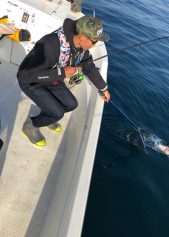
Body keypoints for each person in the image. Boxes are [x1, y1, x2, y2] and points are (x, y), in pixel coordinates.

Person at [17, 16, 110, 146]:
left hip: (53, 78)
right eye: (94, 41)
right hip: (32, 81)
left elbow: (88, 66)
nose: (95, 45)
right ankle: (31, 125)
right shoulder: (50, 44)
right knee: (57, 113)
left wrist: (103, 88)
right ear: (83, 37)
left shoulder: (81, 48)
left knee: (71, 104)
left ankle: (47, 117)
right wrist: (62, 72)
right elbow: (24, 76)